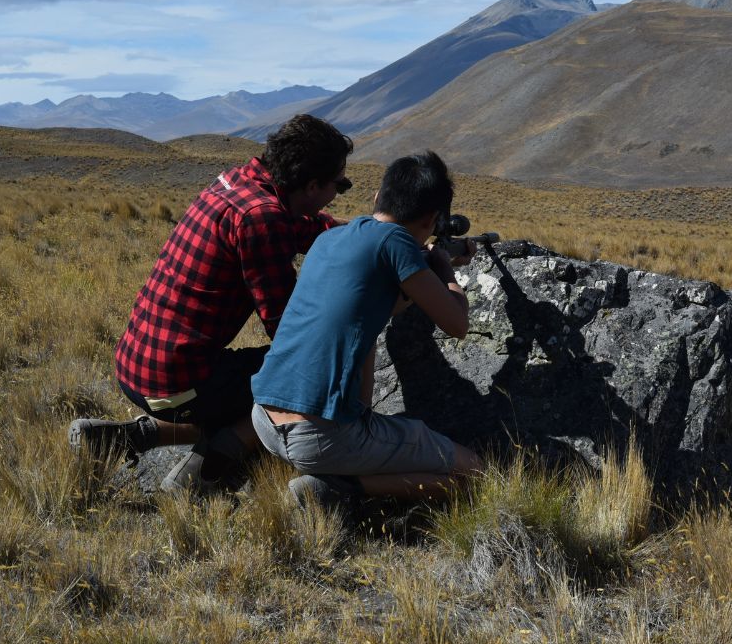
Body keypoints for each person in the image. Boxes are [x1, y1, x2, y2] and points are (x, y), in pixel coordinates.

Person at [68, 114, 352, 492]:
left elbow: (303, 227)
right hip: (176, 381)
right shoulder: (261, 217)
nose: (339, 192)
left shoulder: (239, 185)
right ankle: (204, 471)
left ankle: (130, 438)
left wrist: (372, 236)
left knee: (242, 378)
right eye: (340, 185)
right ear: (313, 185)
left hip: (138, 365)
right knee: (301, 376)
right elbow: (287, 330)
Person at [248, 150, 485, 513]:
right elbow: (457, 324)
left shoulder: (332, 238)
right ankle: (336, 490)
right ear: (433, 220)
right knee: (475, 475)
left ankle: (340, 464)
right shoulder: (397, 243)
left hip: (264, 418)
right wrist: (444, 268)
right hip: (317, 436)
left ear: (378, 198)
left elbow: (371, 314)